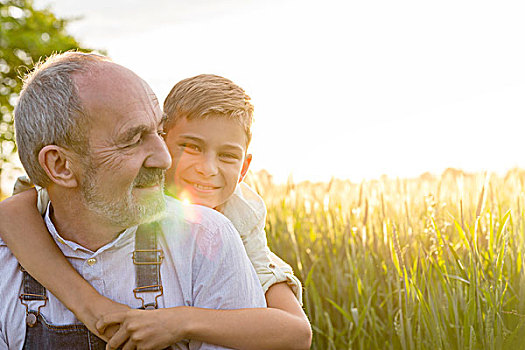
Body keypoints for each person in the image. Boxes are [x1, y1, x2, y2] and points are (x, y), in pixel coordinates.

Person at [0, 70, 312, 348]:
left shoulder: (235, 218)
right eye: (191, 147)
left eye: (227, 156)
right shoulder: (101, 177)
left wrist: (179, 321)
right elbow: (14, 212)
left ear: (244, 168)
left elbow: (296, 331)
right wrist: (91, 305)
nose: (207, 169)